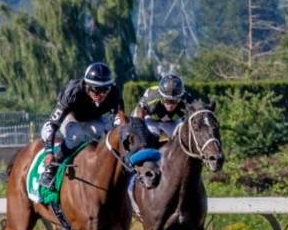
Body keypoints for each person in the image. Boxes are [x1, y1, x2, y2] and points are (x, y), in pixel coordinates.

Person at [39, 62, 125, 191]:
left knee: (107, 131)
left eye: (104, 89)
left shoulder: (114, 93)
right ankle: (51, 169)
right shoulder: (73, 92)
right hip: (70, 116)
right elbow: (53, 124)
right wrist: (49, 152)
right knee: (75, 136)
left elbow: (120, 122)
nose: (99, 94)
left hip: (92, 118)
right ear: (86, 85)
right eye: (95, 89)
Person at [132, 73, 193, 141]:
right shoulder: (151, 97)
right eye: (166, 100)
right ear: (161, 96)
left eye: (175, 100)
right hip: (151, 120)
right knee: (147, 138)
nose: (170, 105)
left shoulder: (187, 99)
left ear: (180, 97)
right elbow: (139, 113)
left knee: (182, 139)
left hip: (172, 122)